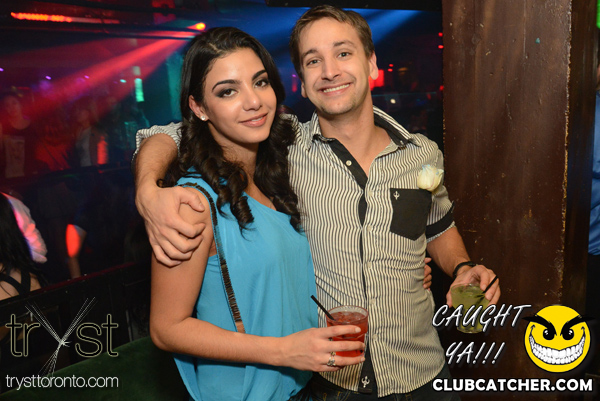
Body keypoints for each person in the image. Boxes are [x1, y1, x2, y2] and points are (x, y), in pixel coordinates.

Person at [134, 6, 500, 400]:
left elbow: (438, 226)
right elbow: (171, 132)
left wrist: (461, 266)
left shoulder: (422, 154)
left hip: (423, 371)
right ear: (302, 83)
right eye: (313, 60)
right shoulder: (285, 149)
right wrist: (147, 188)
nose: (330, 71)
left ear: (371, 63)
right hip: (332, 383)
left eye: (343, 53)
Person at [148, 27, 365, 401]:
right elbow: (166, 328)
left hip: (299, 389)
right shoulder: (192, 202)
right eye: (228, 91)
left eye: (260, 82)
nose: (254, 101)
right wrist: (283, 351)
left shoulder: (274, 178)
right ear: (199, 108)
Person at [0, 91, 40, 179]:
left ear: (21, 104)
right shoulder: (3, 127)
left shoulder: (33, 125)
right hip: (10, 176)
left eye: (14, 103)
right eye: (7, 105)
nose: (11, 107)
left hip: (32, 175)